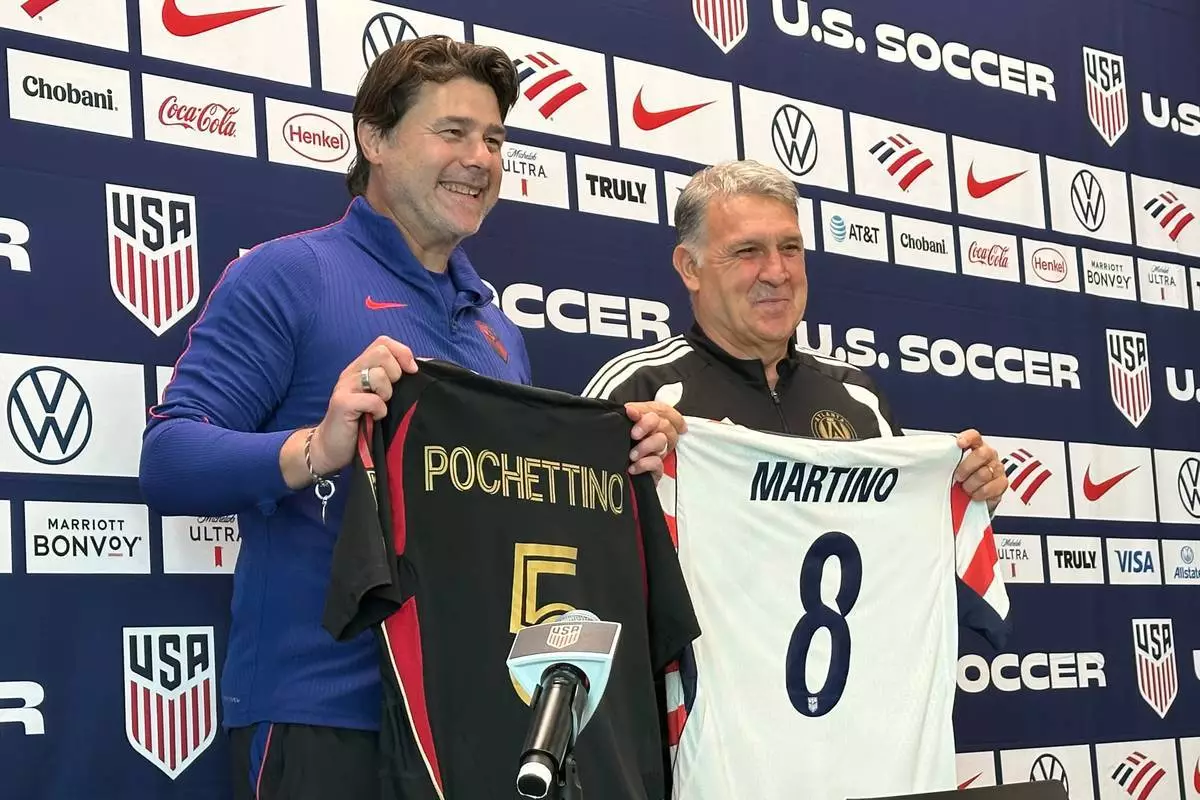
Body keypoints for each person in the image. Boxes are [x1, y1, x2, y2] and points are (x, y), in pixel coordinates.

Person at [139, 35, 680, 800]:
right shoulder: (287, 275)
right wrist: (316, 447)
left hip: (469, 718)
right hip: (327, 715)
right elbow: (168, 460)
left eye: (494, 140)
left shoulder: (497, 331)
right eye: (452, 131)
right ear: (375, 138)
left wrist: (614, 461)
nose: (480, 159)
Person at [581, 158, 1009, 509]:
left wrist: (965, 497)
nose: (777, 272)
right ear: (691, 268)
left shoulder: (859, 397)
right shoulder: (636, 392)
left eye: (790, 248)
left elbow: (902, 539)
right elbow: (577, 539)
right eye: (748, 251)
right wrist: (624, 462)